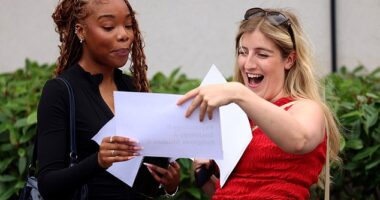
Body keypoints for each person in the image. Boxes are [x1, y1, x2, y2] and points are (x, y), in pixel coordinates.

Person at [177, 7, 341, 199]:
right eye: (243, 52)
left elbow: (299, 140)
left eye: (262, 55)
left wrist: (239, 93)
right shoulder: (236, 114)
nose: (248, 64)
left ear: (289, 59)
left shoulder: (305, 108)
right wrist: (203, 175)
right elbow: (234, 190)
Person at [37, 0, 180, 199]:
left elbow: (141, 185)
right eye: (108, 27)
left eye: (129, 25)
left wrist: (168, 184)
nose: (124, 35)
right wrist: (98, 161)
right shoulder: (60, 91)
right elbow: (48, 185)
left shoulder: (132, 88)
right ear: (81, 31)